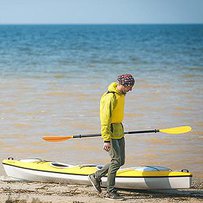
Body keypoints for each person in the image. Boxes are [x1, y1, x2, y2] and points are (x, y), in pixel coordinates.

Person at [88, 74, 135, 200]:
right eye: (129, 87)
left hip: (119, 130)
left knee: (121, 161)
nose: (131, 90)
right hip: (111, 132)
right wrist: (106, 139)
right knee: (115, 161)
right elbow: (105, 120)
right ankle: (110, 191)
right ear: (123, 85)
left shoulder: (121, 95)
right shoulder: (110, 97)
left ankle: (96, 176)